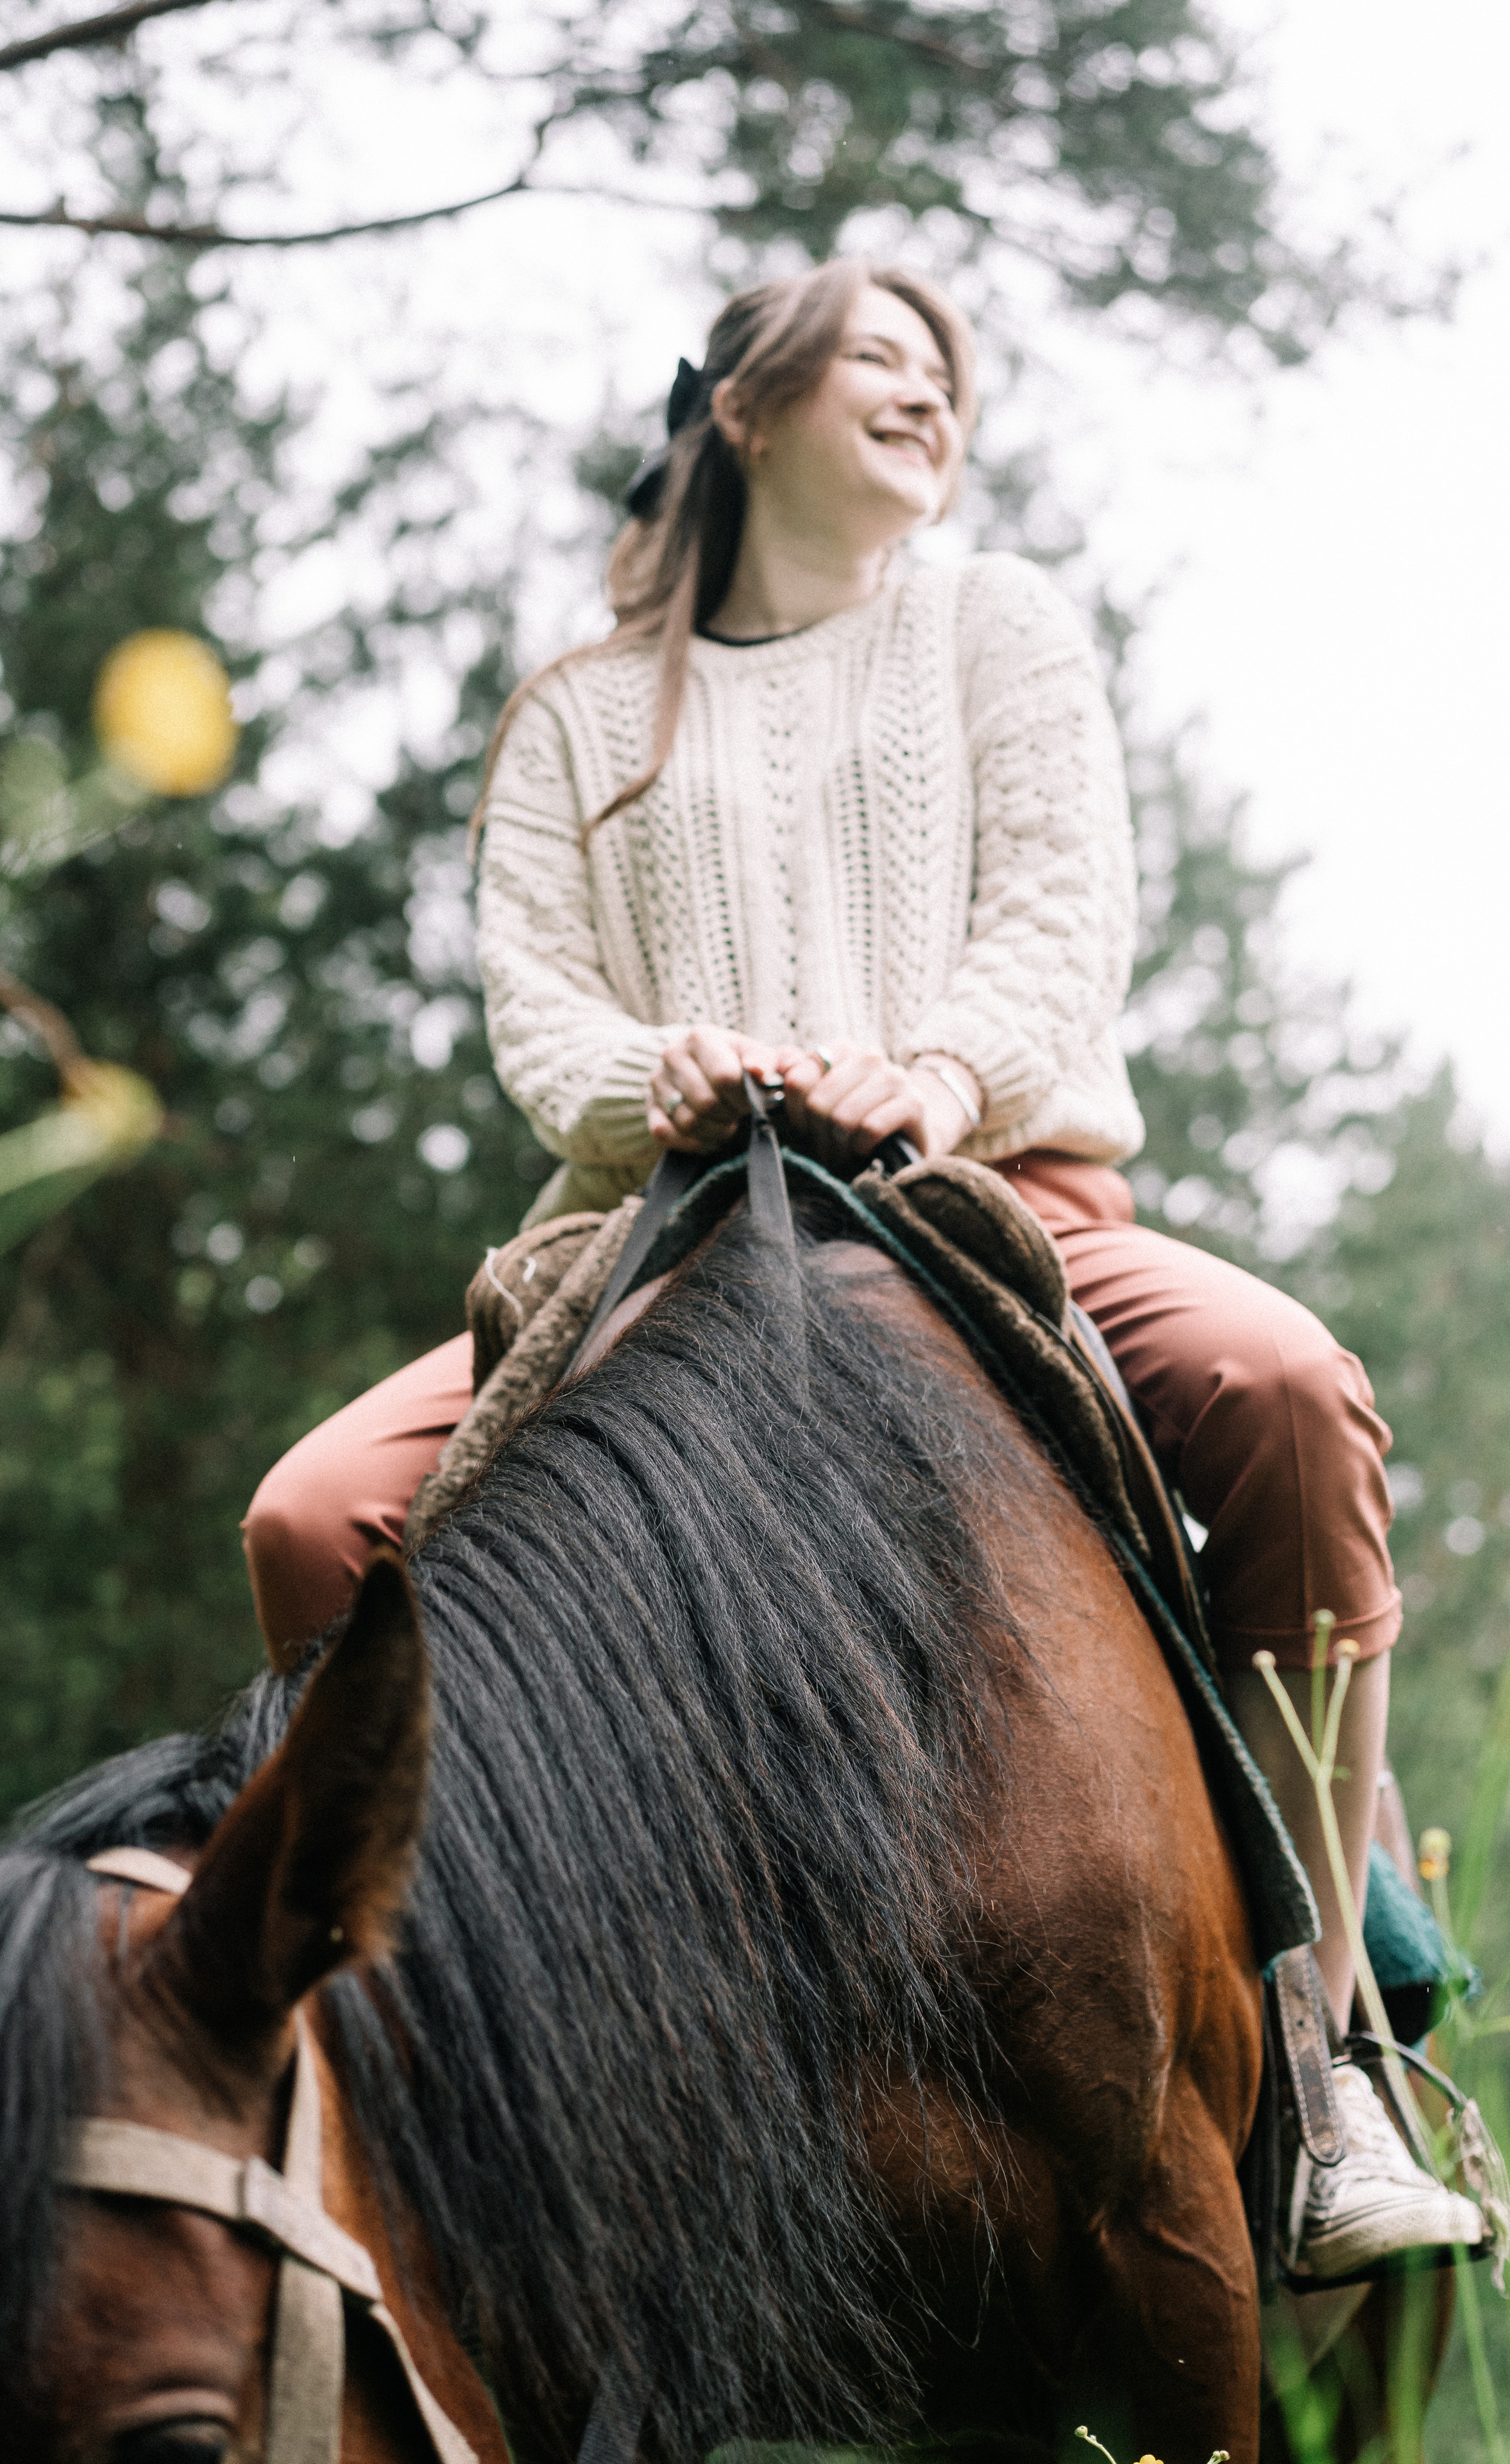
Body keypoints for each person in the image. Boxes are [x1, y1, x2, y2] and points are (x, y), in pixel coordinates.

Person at [244, 257, 1480, 2280]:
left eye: (948, 376)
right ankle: (429, 2077)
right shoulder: (575, 712)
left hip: (1005, 1193)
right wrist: (667, 1073)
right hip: (671, 1244)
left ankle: (1331, 2054)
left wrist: (935, 1070)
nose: (932, 401)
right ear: (746, 407)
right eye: (883, 364)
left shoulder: (998, 626)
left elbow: (1066, 917)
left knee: (1286, 1390)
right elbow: (537, 1008)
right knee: (313, 1523)